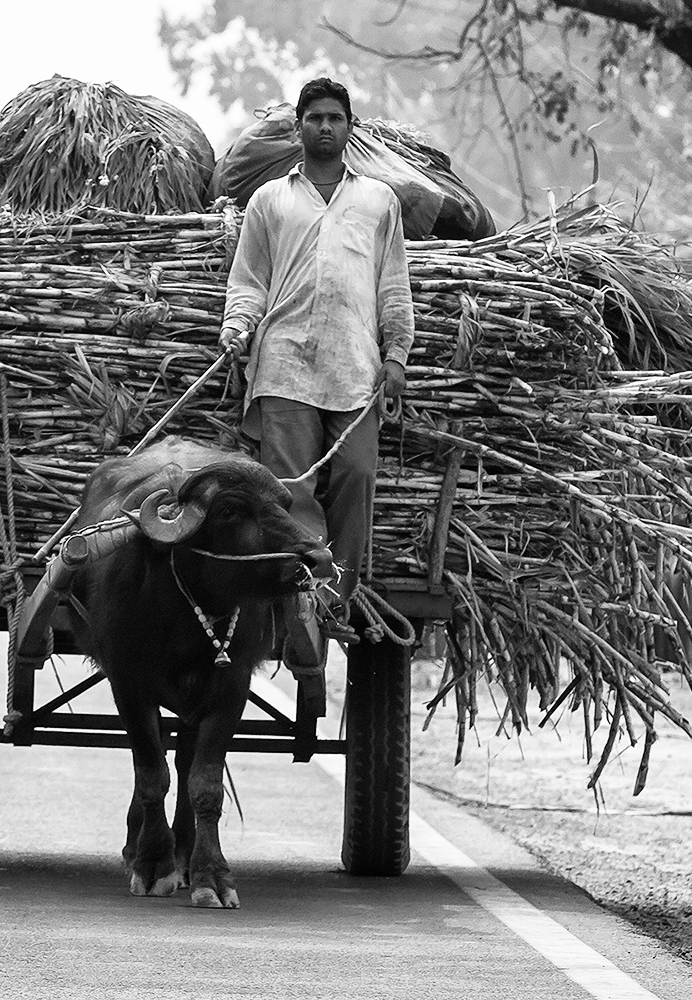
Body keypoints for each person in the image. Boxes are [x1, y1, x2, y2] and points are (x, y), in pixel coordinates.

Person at [217, 77, 415, 679]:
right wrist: (237, 328)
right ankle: (299, 599)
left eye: (335, 118)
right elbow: (248, 281)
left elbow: (393, 286)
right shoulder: (270, 202)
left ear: (349, 126)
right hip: (282, 364)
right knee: (289, 489)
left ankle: (335, 598)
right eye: (314, 118)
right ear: (297, 128)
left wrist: (398, 356)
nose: (324, 127)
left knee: (355, 475)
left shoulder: (380, 201)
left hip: (356, 370)